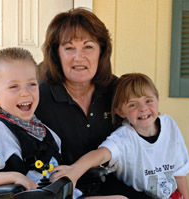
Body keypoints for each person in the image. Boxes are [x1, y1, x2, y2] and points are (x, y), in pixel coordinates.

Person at [35, 7, 150, 199]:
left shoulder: (118, 90)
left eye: (88, 47)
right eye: (69, 48)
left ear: (101, 51)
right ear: (56, 54)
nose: (78, 57)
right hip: (60, 189)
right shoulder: (39, 96)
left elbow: (150, 129)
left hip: (115, 183)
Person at [51, 73, 189, 199]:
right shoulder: (124, 137)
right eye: (132, 105)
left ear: (157, 100)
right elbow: (100, 154)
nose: (143, 108)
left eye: (148, 100)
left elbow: (180, 171)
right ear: (120, 112)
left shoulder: (169, 125)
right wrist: (75, 170)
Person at [0, 48, 70, 194]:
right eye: (14, 86)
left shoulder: (47, 133)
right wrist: (15, 177)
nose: (25, 92)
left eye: (32, 84)